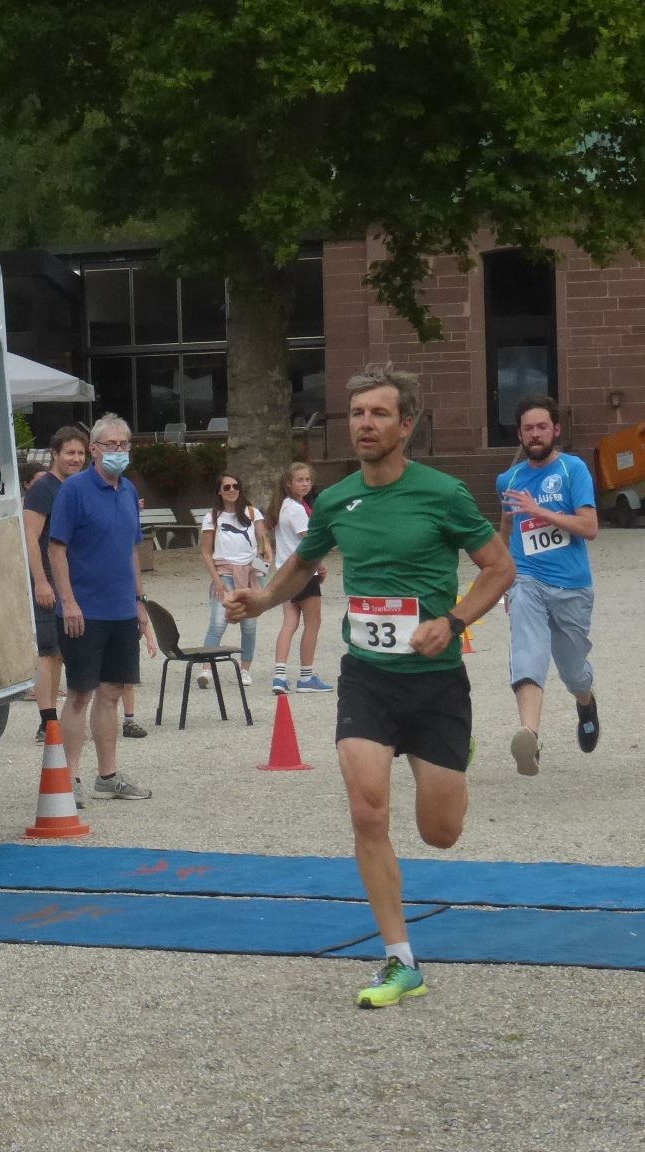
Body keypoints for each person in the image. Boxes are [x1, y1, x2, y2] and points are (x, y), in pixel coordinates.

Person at [226, 367, 513, 1008]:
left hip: (435, 683)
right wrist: (264, 599)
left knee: (441, 833)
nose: (365, 424)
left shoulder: (443, 494)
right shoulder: (336, 500)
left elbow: (500, 567)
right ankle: (400, 958)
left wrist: (453, 621)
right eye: (357, 413)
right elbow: (305, 560)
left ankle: (451, 759)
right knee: (367, 810)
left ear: (405, 425)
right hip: (367, 677)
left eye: (379, 414)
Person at [48, 413, 154, 801]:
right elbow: (56, 548)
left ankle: (107, 776)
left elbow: (132, 550)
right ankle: (68, 779)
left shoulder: (127, 491)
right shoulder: (74, 490)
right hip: (84, 611)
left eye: (124, 444)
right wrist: (68, 601)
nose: (118, 451)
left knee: (112, 692)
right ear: (94, 449)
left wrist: (139, 603)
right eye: (111, 445)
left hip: (121, 610)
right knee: (80, 693)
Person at [495, 396, 600, 776]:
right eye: (528, 428)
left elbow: (589, 527)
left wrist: (540, 511)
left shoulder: (573, 469)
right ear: (520, 435)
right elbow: (507, 528)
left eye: (542, 427)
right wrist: (502, 579)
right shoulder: (509, 480)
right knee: (528, 651)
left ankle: (585, 702)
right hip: (526, 579)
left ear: (555, 430)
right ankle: (530, 735)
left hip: (572, 586)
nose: (535, 434)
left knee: (573, 672)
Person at [23, 425, 89, 742]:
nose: (76, 458)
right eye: (70, 452)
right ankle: (46, 722)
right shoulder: (42, 489)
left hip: (73, 582)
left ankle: (57, 717)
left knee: (63, 651)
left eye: (80, 453)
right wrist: (41, 581)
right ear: (55, 454)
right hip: (48, 581)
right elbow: (30, 538)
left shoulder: (80, 487)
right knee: (47, 652)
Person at [196, 472, 270, 690]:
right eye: (226, 487)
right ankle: (206, 669)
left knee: (249, 624)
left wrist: (263, 564)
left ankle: (245, 669)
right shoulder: (212, 517)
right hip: (225, 571)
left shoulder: (252, 512)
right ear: (219, 491)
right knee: (218, 622)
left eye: (235, 486)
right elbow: (206, 552)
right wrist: (216, 579)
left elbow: (264, 544)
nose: (231, 490)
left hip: (250, 573)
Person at [266, 461, 332, 694]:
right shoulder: (296, 509)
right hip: (303, 573)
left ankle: (280, 675)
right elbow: (308, 541)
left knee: (289, 623)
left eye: (308, 479)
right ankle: (306, 676)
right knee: (313, 622)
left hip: (285, 573)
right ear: (288, 483)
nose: (305, 484)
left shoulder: (282, 507)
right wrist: (320, 564)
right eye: (300, 480)